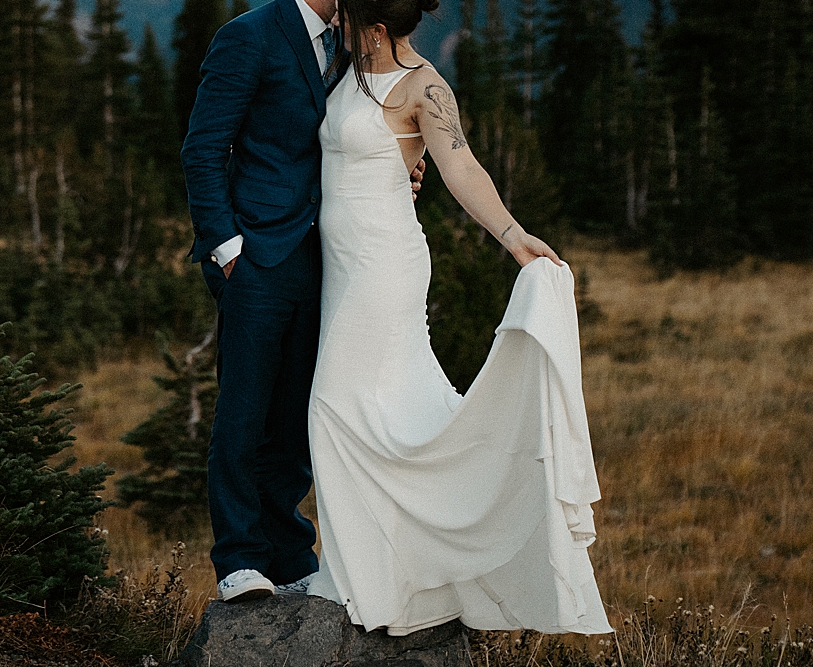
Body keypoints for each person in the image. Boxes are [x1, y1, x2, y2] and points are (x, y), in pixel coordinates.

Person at [305, 0, 613, 635]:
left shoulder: (425, 87)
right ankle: (386, 570)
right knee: (386, 412)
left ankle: (367, 576)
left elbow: (462, 166)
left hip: (383, 264)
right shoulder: (344, 69)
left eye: (350, 18)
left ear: (378, 28)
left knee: (332, 406)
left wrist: (514, 237)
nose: (338, 23)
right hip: (338, 266)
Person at [181, 0, 424, 602]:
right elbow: (203, 148)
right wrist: (227, 248)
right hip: (256, 256)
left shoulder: (352, 41)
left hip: (328, 256)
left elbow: (354, 134)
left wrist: (397, 171)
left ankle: (289, 555)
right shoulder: (248, 36)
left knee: (296, 414)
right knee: (244, 411)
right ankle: (239, 559)